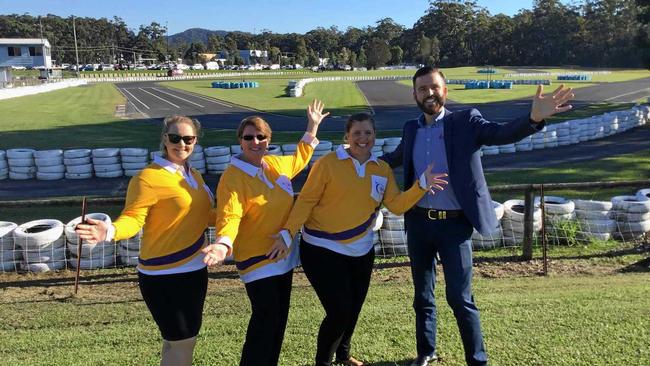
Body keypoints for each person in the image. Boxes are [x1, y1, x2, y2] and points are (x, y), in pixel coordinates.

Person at [380, 66, 574, 366]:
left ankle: (477, 360)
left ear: (445, 90)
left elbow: (501, 133)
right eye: (422, 89)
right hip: (418, 223)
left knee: (459, 297)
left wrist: (533, 118)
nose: (428, 93)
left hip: (455, 225)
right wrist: (357, 158)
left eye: (434, 87)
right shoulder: (411, 128)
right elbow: (394, 159)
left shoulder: (466, 121)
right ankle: (426, 351)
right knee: (422, 296)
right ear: (414, 94)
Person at [275, 113, 449, 366]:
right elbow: (306, 201)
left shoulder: (382, 169)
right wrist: (287, 232)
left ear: (374, 136)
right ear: (347, 137)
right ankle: (322, 362)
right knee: (339, 311)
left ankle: (343, 356)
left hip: (362, 252)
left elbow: (397, 206)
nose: (362, 138)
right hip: (322, 250)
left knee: (353, 309)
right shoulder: (328, 163)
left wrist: (421, 185)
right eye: (356, 133)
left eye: (368, 133)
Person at [75, 115, 217, 366]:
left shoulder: (194, 174)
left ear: (195, 141)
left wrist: (241, 215)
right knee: (182, 342)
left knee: (176, 342)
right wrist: (109, 231)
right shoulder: (147, 178)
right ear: (164, 139)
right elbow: (132, 218)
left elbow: (204, 216)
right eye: (175, 138)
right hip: (164, 275)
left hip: (195, 270)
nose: (181, 144)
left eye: (188, 139)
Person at [202, 99, 329, 366]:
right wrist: (223, 243)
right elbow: (230, 214)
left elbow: (299, 158)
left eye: (261, 136)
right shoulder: (233, 177)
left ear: (268, 140)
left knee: (279, 318)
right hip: (257, 260)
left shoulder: (273, 165)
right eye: (249, 137)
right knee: (265, 319)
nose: (255, 141)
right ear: (240, 140)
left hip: (282, 254)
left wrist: (312, 126)